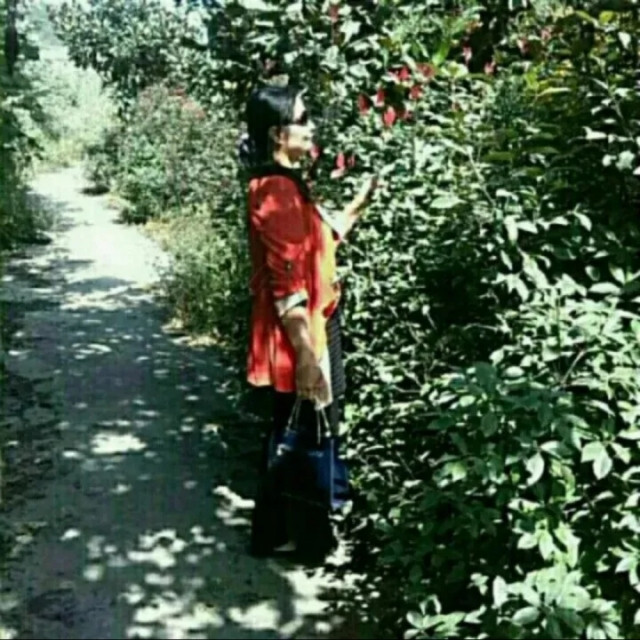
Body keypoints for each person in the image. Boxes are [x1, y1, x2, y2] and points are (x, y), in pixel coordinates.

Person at [240, 84, 376, 561]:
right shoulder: (274, 190)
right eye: (303, 119)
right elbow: (286, 281)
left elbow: (320, 242)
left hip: (315, 322)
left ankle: (286, 532)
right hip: (297, 332)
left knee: (306, 426)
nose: (311, 126)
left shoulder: (288, 184)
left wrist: (360, 203)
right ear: (278, 134)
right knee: (301, 431)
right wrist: (305, 354)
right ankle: (299, 537)